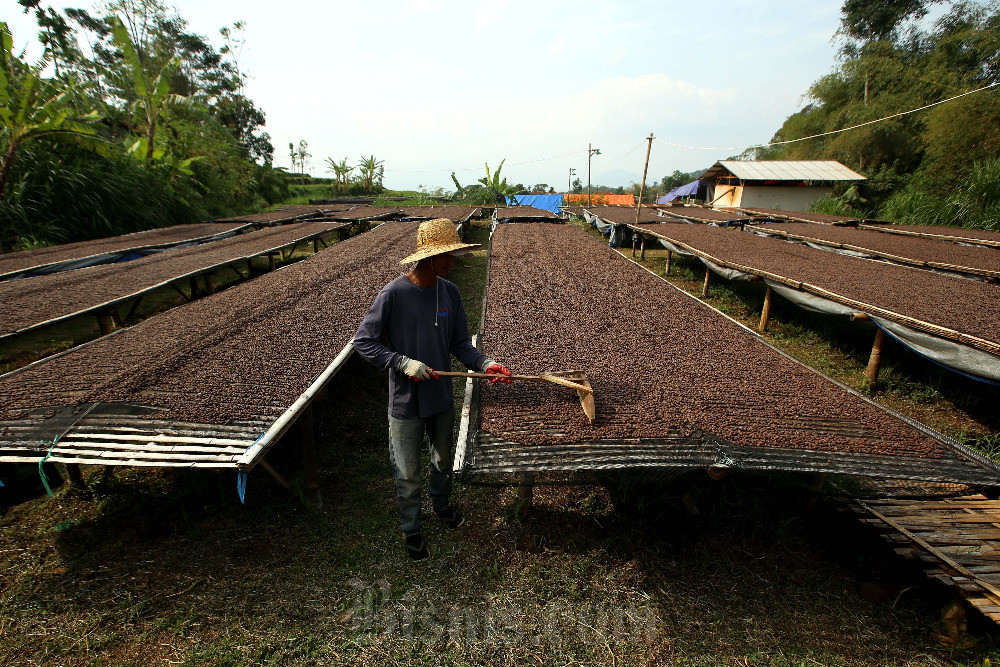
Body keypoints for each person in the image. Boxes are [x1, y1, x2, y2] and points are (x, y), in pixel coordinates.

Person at [353, 218, 512, 561]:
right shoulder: (394, 294)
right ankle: (412, 527)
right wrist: (402, 363)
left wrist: (485, 364)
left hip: (440, 397)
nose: (452, 259)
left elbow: (459, 343)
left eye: (454, 252)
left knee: (441, 460)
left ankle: (441, 505)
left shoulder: (449, 292)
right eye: (446, 254)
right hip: (406, 400)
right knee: (407, 471)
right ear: (425, 257)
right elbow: (363, 342)